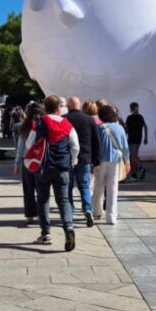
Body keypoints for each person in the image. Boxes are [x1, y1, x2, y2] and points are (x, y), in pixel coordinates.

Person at [25, 95, 80, 251]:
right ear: (58, 108)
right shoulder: (67, 124)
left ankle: (46, 233)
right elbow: (75, 146)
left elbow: (30, 143)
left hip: (43, 167)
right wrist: (72, 161)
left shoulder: (39, 123)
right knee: (63, 200)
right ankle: (68, 227)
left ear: (45, 107)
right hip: (62, 167)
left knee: (43, 199)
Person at [64, 97, 100, 227]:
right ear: (79, 106)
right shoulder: (89, 119)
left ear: (69, 106)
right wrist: (96, 159)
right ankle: (88, 210)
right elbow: (96, 141)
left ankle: (70, 211)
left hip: (67, 158)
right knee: (84, 186)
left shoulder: (64, 118)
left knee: (67, 187)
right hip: (85, 158)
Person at [93, 105, 130, 225]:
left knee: (99, 186)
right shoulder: (120, 129)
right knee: (113, 187)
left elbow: (95, 146)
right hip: (116, 160)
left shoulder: (99, 128)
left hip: (100, 161)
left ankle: (97, 211)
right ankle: (111, 216)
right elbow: (125, 147)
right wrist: (127, 161)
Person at [13, 103, 40, 225]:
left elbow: (20, 146)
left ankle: (30, 215)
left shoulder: (26, 126)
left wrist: (16, 164)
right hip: (40, 160)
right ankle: (42, 213)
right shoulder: (42, 125)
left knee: (28, 189)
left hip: (27, 160)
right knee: (42, 189)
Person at [125, 102, 148, 180]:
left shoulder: (137, 117)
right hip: (134, 138)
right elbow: (127, 128)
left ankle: (140, 169)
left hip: (135, 138)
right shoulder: (131, 117)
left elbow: (145, 126)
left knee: (133, 155)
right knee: (133, 155)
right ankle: (134, 172)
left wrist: (146, 137)